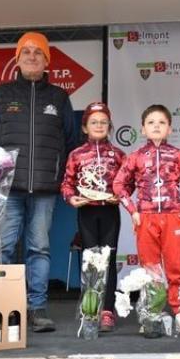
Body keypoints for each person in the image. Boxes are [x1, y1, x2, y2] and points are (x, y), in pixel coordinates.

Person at [0, 31, 77, 332]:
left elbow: (71, 141)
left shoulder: (60, 97)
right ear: (17, 59)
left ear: (47, 60)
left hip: (45, 190)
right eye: (27, 52)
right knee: (4, 248)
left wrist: (59, 173)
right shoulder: (2, 93)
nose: (33, 56)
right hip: (9, 188)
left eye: (39, 52)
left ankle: (37, 309)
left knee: (39, 248)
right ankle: (3, 307)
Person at [113, 104, 180, 334]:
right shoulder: (136, 157)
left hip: (173, 217)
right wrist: (133, 210)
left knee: (174, 267)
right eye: (151, 122)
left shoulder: (178, 155)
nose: (156, 126)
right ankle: (151, 314)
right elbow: (118, 185)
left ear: (169, 128)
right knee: (150, 269)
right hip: (146, 219)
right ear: (143, 129)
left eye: (161, 122)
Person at [61, 102, 125, 332]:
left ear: (109, 126)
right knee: (90, 261)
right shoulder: (76, 154)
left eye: (103, 122)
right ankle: (90, 308)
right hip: (86, 211)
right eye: (94, 122)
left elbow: (128, 183)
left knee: (108, 260)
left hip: (109, 211)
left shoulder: (118, 155)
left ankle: (107, 310)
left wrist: (122, 196)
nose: (99, 125)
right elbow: (67, 184)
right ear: (85, 127)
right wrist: (71, 198)